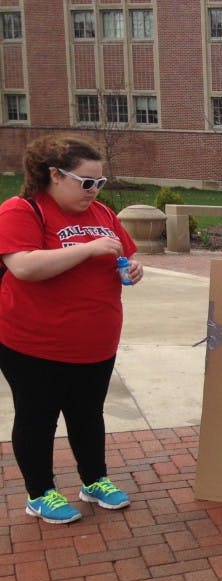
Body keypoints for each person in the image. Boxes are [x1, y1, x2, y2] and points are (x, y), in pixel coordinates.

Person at [0, 135, 143, 524]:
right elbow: (24, 266)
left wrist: (134, 266)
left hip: (96, 343)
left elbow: (127, 252)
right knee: (37, 417)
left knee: (87, 414)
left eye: (100, 182)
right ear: (54, 176)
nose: (94, 191)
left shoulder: (101, 214)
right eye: (86, 182)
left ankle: (93, 480)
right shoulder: (22, 210)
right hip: (34, 345)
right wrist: (88, 249)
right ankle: (39, 492)